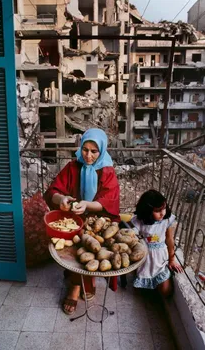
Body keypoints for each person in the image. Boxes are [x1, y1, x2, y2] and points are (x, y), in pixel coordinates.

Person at [44, 128, 120, 314]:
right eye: (85, 149)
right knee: (77, 243)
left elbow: (108, 202)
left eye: (94, 151)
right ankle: (78, 284)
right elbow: (53, 191)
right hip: (73, 218)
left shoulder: (107, 171)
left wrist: (87, 205)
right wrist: (61, 200)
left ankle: (80, 283)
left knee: (92, 245)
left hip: (99, 221)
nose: (88, 155)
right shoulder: (72, 167)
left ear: (102, 151)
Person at [130, 189, 183, 298]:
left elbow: (169, 240)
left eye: (164, 208)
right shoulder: (141, 221)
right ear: (147, 211)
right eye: (158, 210)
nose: (162, 213)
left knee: (166, 292)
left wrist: (172, 260)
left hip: (161, 259)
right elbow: (133, 235)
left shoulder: (167, 221)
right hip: (145, 258)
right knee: (142, 292)